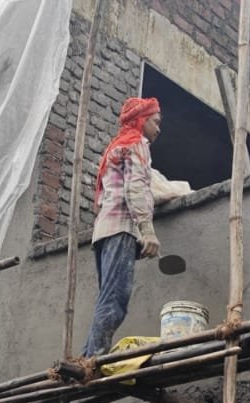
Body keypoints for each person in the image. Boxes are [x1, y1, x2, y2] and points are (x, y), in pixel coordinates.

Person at [82, 96, 163, 358]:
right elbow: (135, 188)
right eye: (155, 122)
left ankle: (88, 356)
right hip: (121, 227)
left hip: (104, 230)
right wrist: (147, 231)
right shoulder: (136, 143)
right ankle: (93, 359)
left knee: (107, 298)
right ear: (141, 120)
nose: (158, 129)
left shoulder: (115, 146)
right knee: (115, 300)